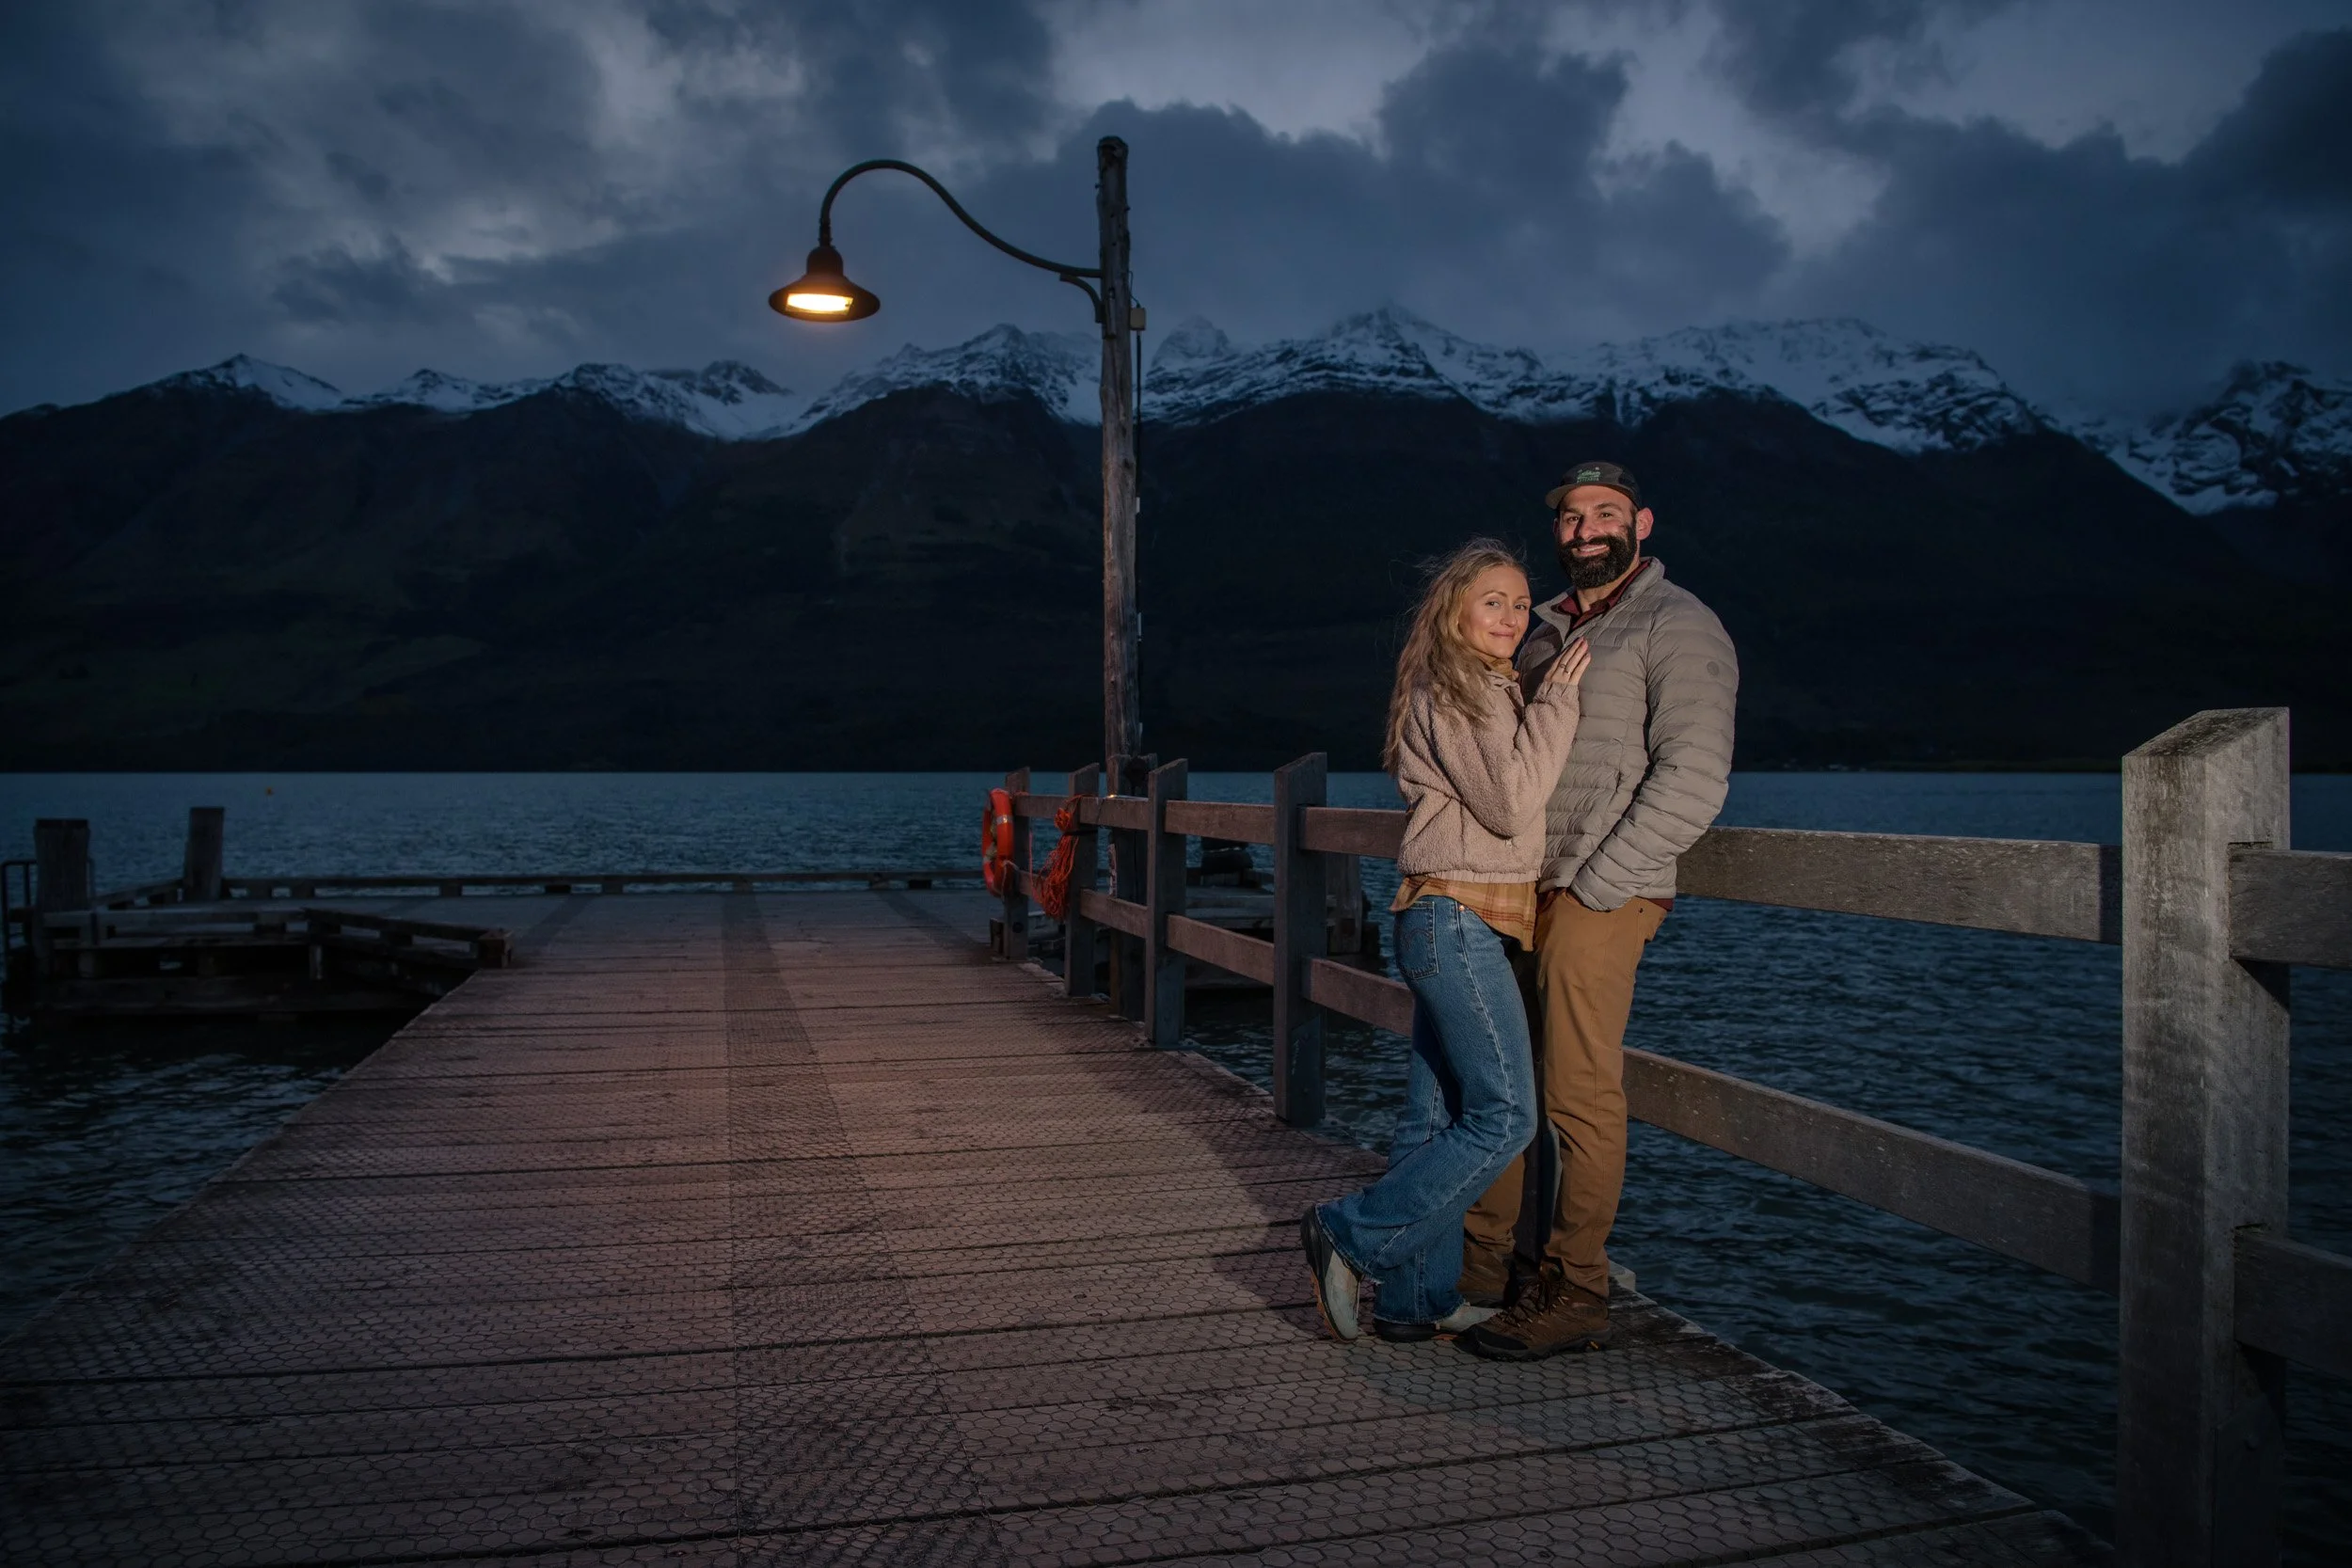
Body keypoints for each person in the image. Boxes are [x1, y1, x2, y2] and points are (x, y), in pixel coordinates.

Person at [1454, 460, 1738, 1362]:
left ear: (1642, 523)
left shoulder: (1680, 625)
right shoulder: (1536, 632)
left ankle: (1575, 1288)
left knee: (1576, 1091)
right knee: (1500, 1082)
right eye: (1572, 517)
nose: (1585, 530)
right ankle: (1479, 1272)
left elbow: (1693, 776)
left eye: (1604, 514)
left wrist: (1597, 884)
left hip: (1600, 891)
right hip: (1518, 885)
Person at [1300, 539, 1591, 1342]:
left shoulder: (1482, 686)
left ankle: (1412, 1300)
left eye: (1521, 603)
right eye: (1492, 599)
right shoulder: (1457, 684)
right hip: (1454, 918)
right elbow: (1508, 801)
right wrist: (1559, 706)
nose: (1511, 615)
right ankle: (1351, 1234)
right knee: (1506, 1116)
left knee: (1436, 1117)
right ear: (1454, 608)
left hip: (1460, 920)